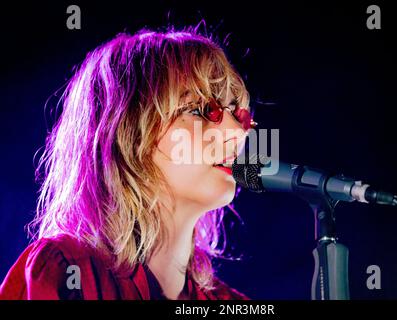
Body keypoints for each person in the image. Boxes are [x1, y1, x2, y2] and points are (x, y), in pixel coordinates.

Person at [0, 27, 256, 300]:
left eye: (234, 111)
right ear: (128, 135)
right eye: (196, 110)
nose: (236, 131)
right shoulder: (67, 271)